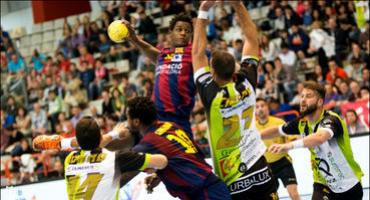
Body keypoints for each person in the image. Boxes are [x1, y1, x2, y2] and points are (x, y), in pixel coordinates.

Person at [33, 97, 231, 200]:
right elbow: (187, 156)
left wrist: (65, 144)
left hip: (204, 194)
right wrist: (162, 174)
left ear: (136, 121)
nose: (126, 121)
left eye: (127, 117)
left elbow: (94, 151)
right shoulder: (171, 126)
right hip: (208, 186)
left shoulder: (147, 143)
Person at [192, 1, 277, 199]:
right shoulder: (247, 81)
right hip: (261, 169)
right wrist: (238, 4)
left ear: (212, 72)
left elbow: (197, 53)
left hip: (233, 179)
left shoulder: (209, 93)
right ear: (234, 69)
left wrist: (203, 11)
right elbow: (252, 40)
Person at [260, 81, 364, 200]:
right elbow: (277, 130)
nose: (303, 100)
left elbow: (320, 138)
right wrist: (254, 137)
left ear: (320, 102)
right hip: (323, 183)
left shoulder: (331, 119)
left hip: (349, 185)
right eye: (302, 96)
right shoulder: (302, 123)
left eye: (308, 96)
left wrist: (288, 146)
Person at [34, 116, 167, 200]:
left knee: (112, 177)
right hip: (113, 169)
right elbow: (162, 161)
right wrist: (115, 134)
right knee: (124, 169)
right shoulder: (114, 159)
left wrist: (63, 143)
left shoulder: (69, 160)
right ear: (99, 137)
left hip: (95, 176)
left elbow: (89, 145)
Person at [121, 12, 195, 137]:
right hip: (154, 117)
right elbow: (147, 49)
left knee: (186, 155)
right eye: (179, 29)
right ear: (170, 32)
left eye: (187, 31)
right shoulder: (163, 54)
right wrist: (133, 37)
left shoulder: (195, 53)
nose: (183, 33)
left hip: (178, 118)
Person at [255, 98, 300, 200]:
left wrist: (285, 147)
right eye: (257, 107)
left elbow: (291, 139)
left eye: (262, 105)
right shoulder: (252, 128)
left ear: (268, 108)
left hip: (283, 163)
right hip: (266, 167)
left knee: (294, 194)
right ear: (254, 111)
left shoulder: (278, 122)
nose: (260, 109)